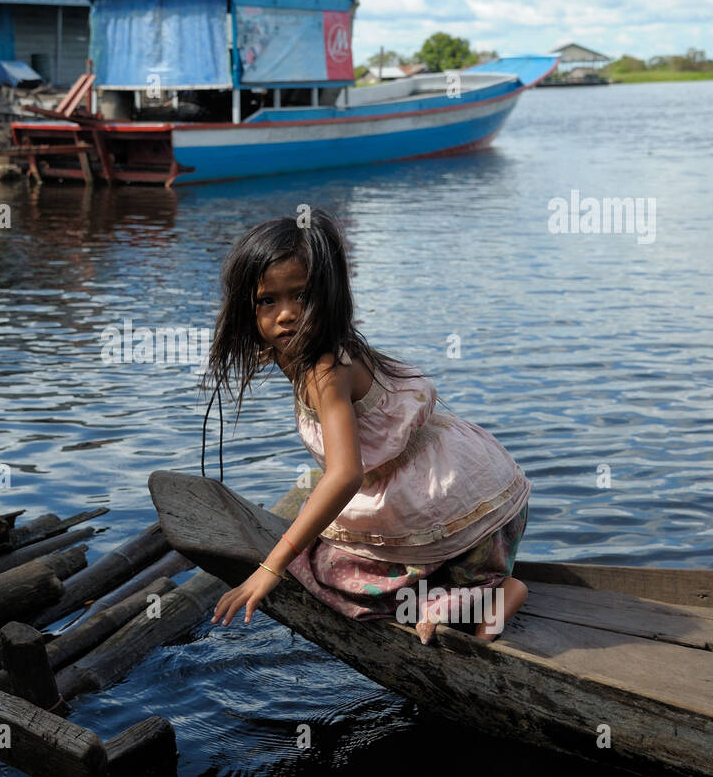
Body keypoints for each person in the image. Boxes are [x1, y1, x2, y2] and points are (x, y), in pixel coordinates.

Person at [201, 207, 531, 645]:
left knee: (322, 571)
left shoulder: (326, 368)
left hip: (467, 510)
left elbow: (345, 473)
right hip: (451, 493)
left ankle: (491, 593)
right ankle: (469, 595)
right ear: (249, 307)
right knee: (326, 561)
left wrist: (270, 567)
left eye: (300, 297)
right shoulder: (293, 354)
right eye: (268, 301)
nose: (285, 315)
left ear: (329, 296)